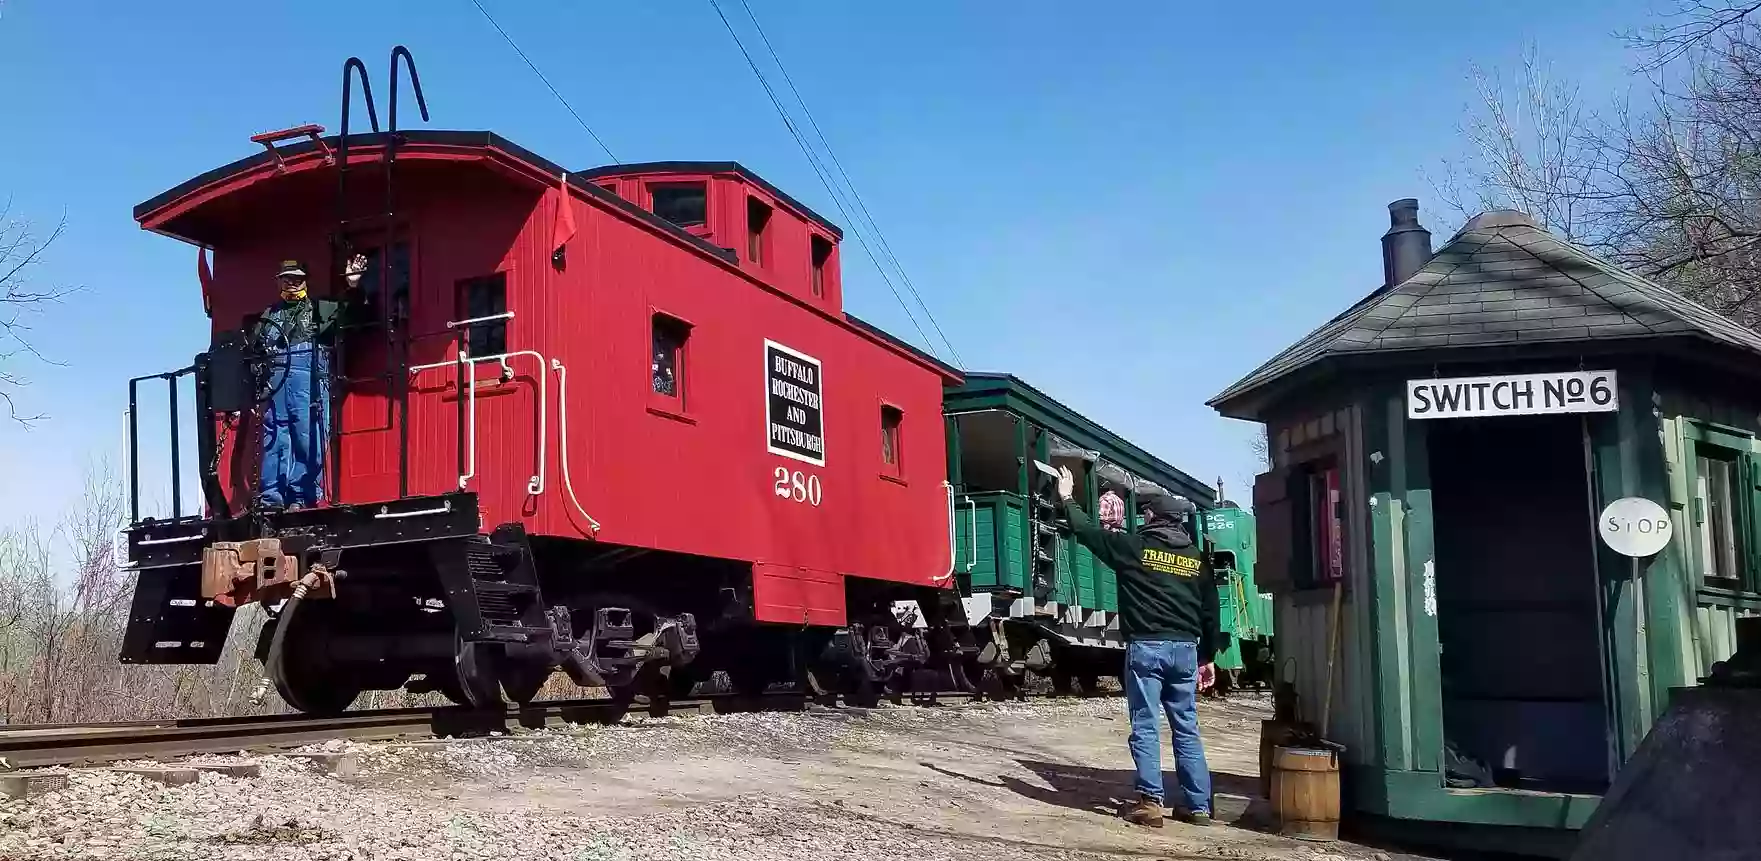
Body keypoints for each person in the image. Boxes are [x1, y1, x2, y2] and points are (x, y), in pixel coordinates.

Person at [1058, 466, 1218, 828]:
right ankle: (1198, 807)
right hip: (1186, 650)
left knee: (1146, 723)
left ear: (1155, 518)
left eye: (1146, 511)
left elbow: (1087, 531)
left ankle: (1150, 802)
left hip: (1147, 648)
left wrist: (1067, 496)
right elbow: (1211, 612)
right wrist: (1208, 657)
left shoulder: (1135, 548)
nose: (1141, 515)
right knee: (1186, 727)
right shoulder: (1197, 560)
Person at [251, 255, 366, 510]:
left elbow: (353, 315)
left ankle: (302, 496)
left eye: (296, 279)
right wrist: (255, 387)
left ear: (305, 281)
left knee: (308, 435)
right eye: (286, 279)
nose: (291, 283)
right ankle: (272, 497)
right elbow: (255, 352)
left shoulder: (320, 308)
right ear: (279, 282)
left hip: (309, 379)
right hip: (276, 380)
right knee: (275, 436)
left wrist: (353, 285)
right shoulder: (269, 315)